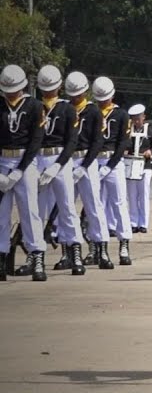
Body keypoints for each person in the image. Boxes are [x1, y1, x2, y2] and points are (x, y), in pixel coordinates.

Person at [34, 65, 85, 275]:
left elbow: (72, 141)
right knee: (36, 210)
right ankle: (35, 255)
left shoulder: (67, 109)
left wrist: (58, 164)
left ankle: (75, 253)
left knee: (67, 208)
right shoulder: (35, 107)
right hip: (38, 158)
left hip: (60, 158)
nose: (48, 91)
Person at [1, 65, 48, 282]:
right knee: (1, 214)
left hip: (25, 161)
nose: (10, 93)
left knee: (30, 212)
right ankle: (1, 258)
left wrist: (20, 170)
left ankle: (37, 255)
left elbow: (36, 140)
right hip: (2, 161)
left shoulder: (35, 106)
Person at [67, 71, 114, 269]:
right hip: (68, 160)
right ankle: (70, 250)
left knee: (94, 206)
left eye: (79, 94)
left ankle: (101, 249)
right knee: (66, 207)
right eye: (73, 94)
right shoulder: (66, 109)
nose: (76, 97)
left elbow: (97, 141)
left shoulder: (93, 111)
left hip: (87, 159)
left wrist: (85, 165)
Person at [93, 77, 134, 265]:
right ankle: (98, 245)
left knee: (119, 203)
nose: (102, 101)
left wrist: (110, 165)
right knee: (96, 204)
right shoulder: (92, 112)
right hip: (94, 160)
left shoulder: (121, 115)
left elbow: (123, 142)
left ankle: (124, 243)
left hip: (113, 160)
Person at [125, 104, 152, 234]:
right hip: (131, 165)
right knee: (132, 195)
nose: (137, 121)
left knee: (143, 195)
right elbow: (125, 145)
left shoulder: (151, 131)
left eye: (139, 118)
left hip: (145, 166)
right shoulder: (128, 132)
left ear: (144, 117)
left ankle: (143, 223)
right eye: (134, 118)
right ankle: (133, 222)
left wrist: (150, 151)